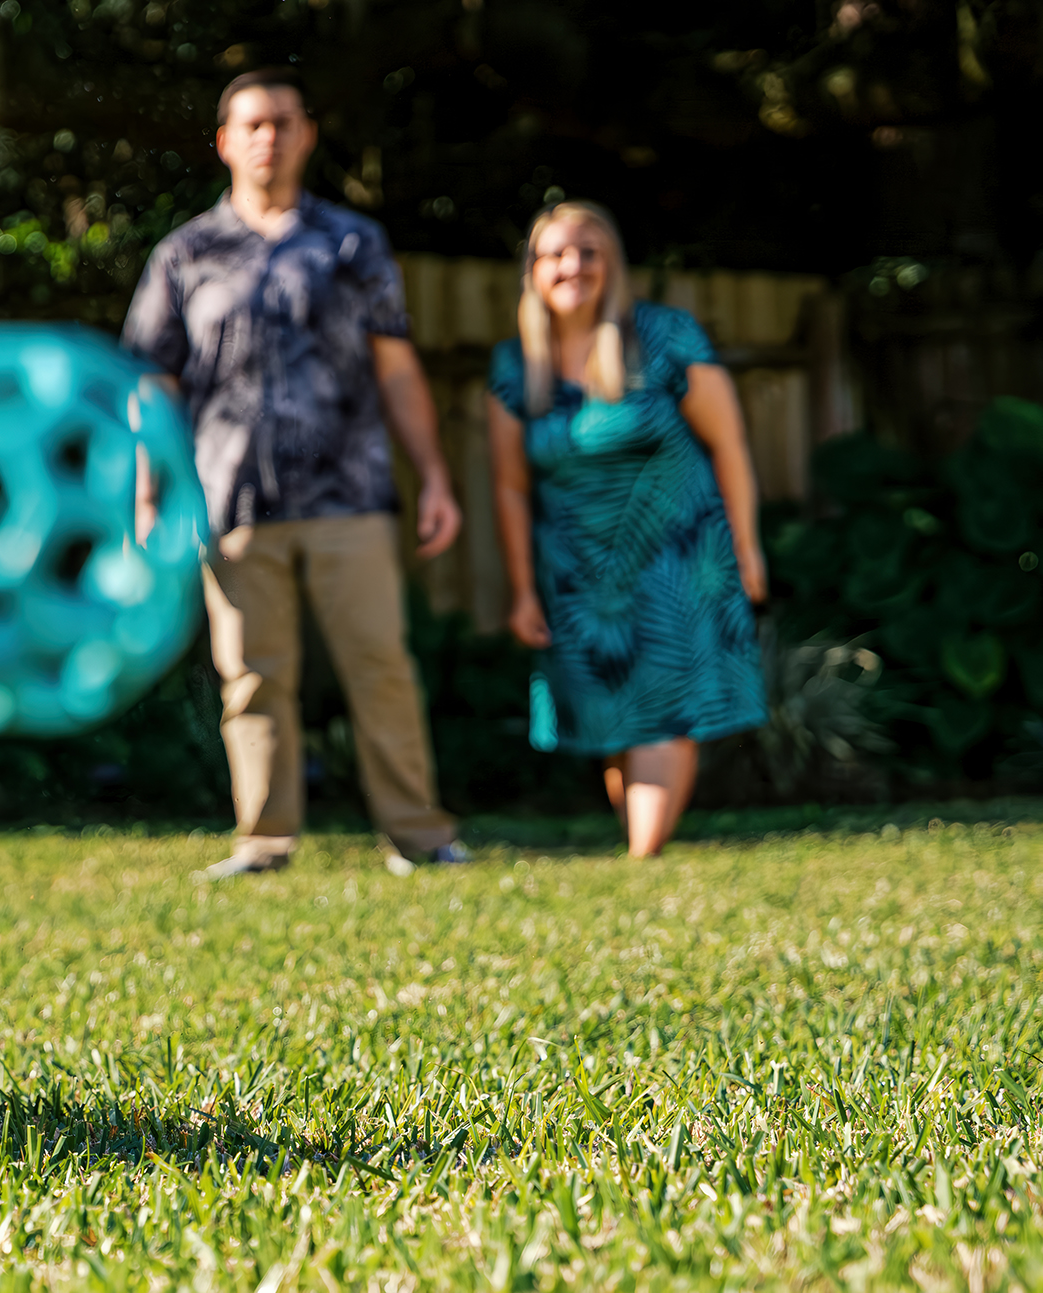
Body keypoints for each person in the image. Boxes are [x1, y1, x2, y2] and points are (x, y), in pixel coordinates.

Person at [122, 67, 468, 880]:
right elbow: (153, 384)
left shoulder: (353, 244)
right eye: (252, 124)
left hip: (351, 492)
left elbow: (397, 370)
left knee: (380, 664)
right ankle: (264, 840)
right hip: (229, 498)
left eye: (282, 121)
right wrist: (148, 491)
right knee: (250, 677)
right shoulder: (184, 253)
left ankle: (419, 834)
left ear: (307, 135)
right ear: (225, 142)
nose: (268, 137)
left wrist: (437, 479)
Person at [486, 201, 768, 857]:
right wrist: (524, 589)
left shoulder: (665, 339)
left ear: (612, 264)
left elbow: (728, 442)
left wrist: (746, 546)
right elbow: (508, 484)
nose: (572, 265)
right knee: (612, 722)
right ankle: (643, 846)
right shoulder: (513, 368)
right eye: (555, 253)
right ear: (533, 269)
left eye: (588, 250)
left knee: (664, 710)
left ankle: (643, 860)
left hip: (677, 558)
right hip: (577, 574)